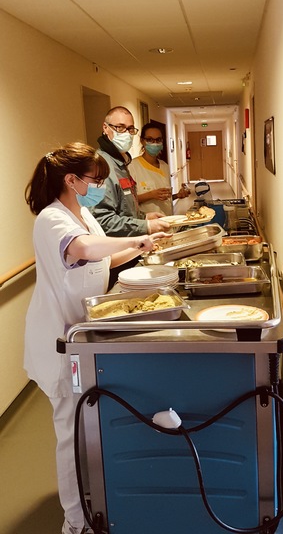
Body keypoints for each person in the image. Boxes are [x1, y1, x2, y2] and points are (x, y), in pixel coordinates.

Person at [24, 142, 168, 534]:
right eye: (95, 179)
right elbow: (83, 248)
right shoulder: (51, 218)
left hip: (84, 334)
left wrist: (142, 247)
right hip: (60, 339)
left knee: (87, 427)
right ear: (71, 180)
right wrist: (134, 238)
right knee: (70, 435)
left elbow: (101, 258)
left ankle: (98, 500)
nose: (100, 186)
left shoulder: (82, 212)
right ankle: (75, 522)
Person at [90, 107, 171, 287]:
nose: (126, 133)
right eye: (120, 127)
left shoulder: (120, 163)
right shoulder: (101, 166)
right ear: (105, 128)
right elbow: (102, 220)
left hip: (131, 250)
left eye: (130, 129)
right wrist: (145, 226)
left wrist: (145, 217)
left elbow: (124, 208)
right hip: (114, 256)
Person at [130, 122, 191, 215]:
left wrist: (177, 195)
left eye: (158, 140)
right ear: (142, 141)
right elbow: (127, 202)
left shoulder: (164, 166)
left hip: (167, 220)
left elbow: (165, 199)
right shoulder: (133, 166)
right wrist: (151, 195)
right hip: (148, 222)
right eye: (150, 139)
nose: (155, 143)